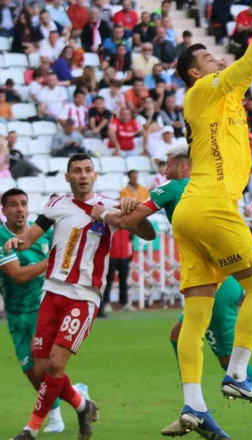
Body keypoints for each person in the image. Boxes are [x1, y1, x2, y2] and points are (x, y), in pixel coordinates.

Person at [100, 147, 252, 439]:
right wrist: (129, 207)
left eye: (167, 162)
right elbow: (147, 232)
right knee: (178, 334)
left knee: (226, 360)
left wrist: (103, 212)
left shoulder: (173, 186)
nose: (164, 168)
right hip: (223, 278)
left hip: (215, 283)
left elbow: (128, 224)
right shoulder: (205, 189)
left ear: (184, 166)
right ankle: (197, 409)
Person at [172, 0, 252, 436]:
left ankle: (193, 404)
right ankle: (239, 374)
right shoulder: (203, 90)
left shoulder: (217, 98)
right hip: (212, 204)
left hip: (191, 210)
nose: (217, 60)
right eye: (209, 58)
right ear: (195, 72)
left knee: (196, 315)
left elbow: (241, 74)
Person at [5, 154, 154, 440]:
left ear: (95, 175)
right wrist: (16, 242)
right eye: (77, 171)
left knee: (55, 365)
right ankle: (82, 405)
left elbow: (147, 234)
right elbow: (30, 238)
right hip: (51, 292)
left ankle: (31, 429)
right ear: (67, 177)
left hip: (83, 296)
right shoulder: (56, 204)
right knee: (40, 369)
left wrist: (133, 210)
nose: (83, 175)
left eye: (88, 170)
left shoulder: (110, 206)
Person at [0, 189, 67, 434]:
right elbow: (17, 275)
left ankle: (56, 417)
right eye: (13, 205)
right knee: (32, 373)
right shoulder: (0, 238)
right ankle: (77, 394)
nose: (19, 209)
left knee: (44, 367)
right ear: (4, 210)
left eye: (23, 204)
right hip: (16, 315)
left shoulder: (44, 234)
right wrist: (50, 262)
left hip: (43, 308)